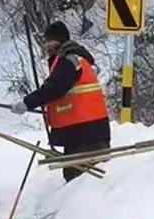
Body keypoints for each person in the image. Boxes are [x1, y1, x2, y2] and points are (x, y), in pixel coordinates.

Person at [11, 21, 111, 182]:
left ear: (59, 42)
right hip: (87, 131)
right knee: (85, 181)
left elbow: (54, 88)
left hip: (85, 133)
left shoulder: (68, 61)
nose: (48, 47)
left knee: (79, 181)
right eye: (47, 43)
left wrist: (27, 103)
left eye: (50, 43)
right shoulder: (74, 59)